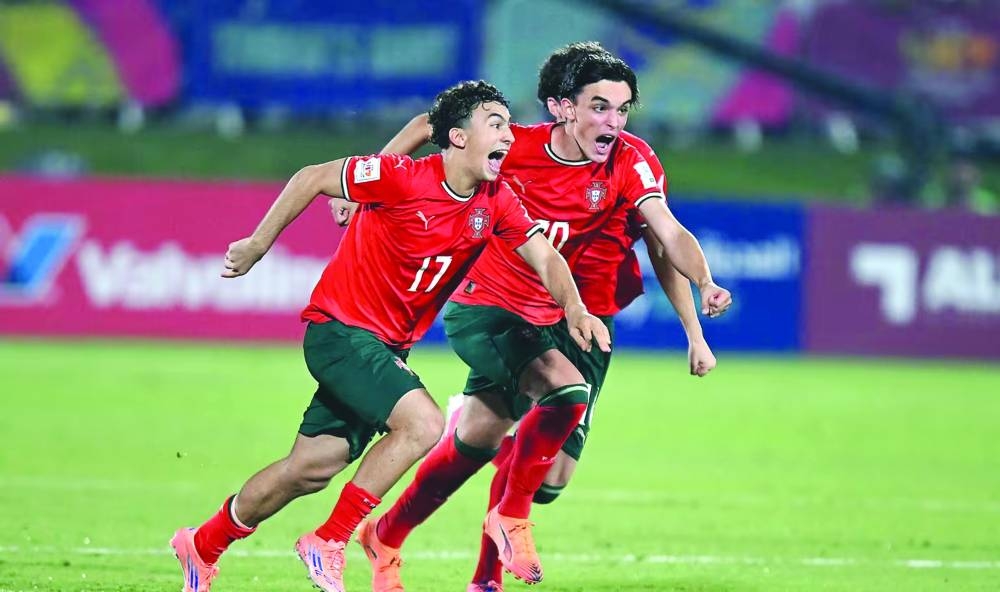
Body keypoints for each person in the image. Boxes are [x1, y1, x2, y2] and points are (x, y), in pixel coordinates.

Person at [169, 80, 611, 592]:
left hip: (385, 347)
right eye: (495, 124)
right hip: (340, 331)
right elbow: (312, 177)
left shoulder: (497, 200)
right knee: (424, 423)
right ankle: (329, 540)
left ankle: (203, 544)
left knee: (311, 467)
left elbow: (545, 256)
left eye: (508, 126)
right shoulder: (400, 176)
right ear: (458, 136)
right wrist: (256, 244)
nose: (508, 136)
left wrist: (574, 307)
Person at [349, 51, 732, 592]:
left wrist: (703, 296)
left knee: (535, 470)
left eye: (623, 109)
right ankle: (488, 574)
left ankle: (385, 534)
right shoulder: (514, 146)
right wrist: (361, 187)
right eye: (599, 107)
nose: (613, 122)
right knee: (556, 399)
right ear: (561, 107)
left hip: (583, 320)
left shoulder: (631, 161)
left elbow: (665, 236)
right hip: (498, 305)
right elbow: (424, 126)